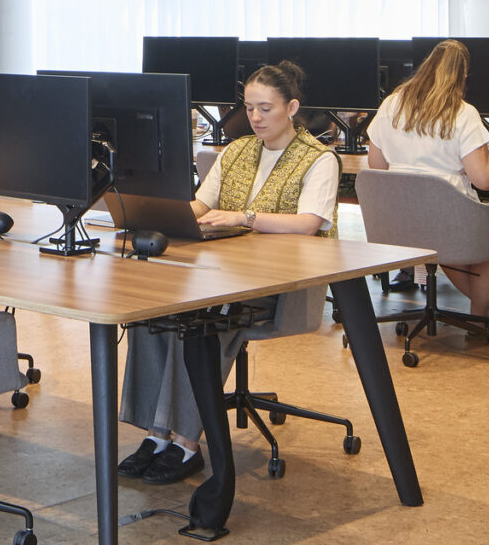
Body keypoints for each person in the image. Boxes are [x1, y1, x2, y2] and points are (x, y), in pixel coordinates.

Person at [117, 61, 338, 486]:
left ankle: (185, 442)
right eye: (249, 108)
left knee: (201, 322)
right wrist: (164, 215)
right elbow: (202, 205)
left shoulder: (319, 159)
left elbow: (309, 223)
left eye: (266, 108)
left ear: (291, 107)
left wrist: (245, 216)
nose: (255, 117)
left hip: (281, 283)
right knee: (152, 313)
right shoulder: (236, 150)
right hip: (227, 272)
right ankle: (155, 433)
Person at [364, 37, 489, 331]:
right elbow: (484, 179)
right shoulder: (462, 112)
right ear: (463, 76)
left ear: (425, 68)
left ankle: (486, 310)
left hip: (399, 221)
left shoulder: (391, 104)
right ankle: (480, 314)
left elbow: (377, 167)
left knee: (445, 244)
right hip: (447, 220)